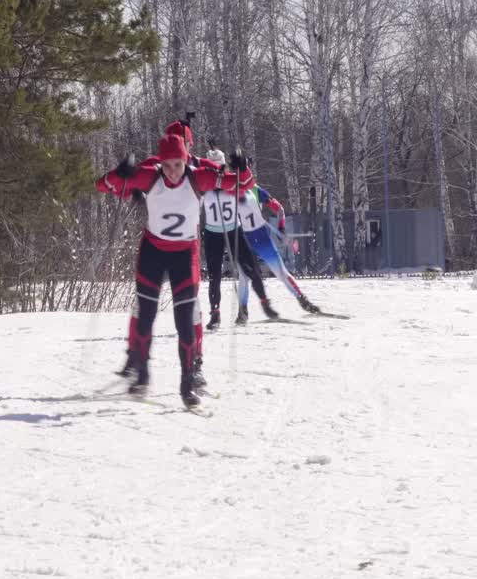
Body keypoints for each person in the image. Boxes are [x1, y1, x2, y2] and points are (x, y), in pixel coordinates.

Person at [96, 134, 252, 408]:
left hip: (184, 255)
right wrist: (120, 173)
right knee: (145, 316)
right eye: (166, 166)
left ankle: (186, 382)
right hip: (152, 253)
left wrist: (242, 168)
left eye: (177, 165)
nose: (172, 172)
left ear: (185, 160)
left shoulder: (198, 178)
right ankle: (142, 373)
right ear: (160, 163)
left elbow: (242, 185)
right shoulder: (149, 176)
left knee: (184, 321)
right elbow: (105, 185)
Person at [199, 149, 279, 328]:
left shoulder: (231, 181)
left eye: (220, 167)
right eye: (212, 168)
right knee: (215, 276)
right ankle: (215, 314)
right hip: (213, 234)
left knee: (252, 268)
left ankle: (265, 303)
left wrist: (243, 167)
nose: (216, 172)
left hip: (234, 230)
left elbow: (249, 183)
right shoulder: (203, 185)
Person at [234, 186, 322, 314]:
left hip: (260, 237)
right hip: (246, 239)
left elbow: (279, 208)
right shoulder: (230, 189)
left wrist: (281, 228)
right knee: (244, 276)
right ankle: (242, 311)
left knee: (280, 272)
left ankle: (303, 300)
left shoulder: (255, 190)